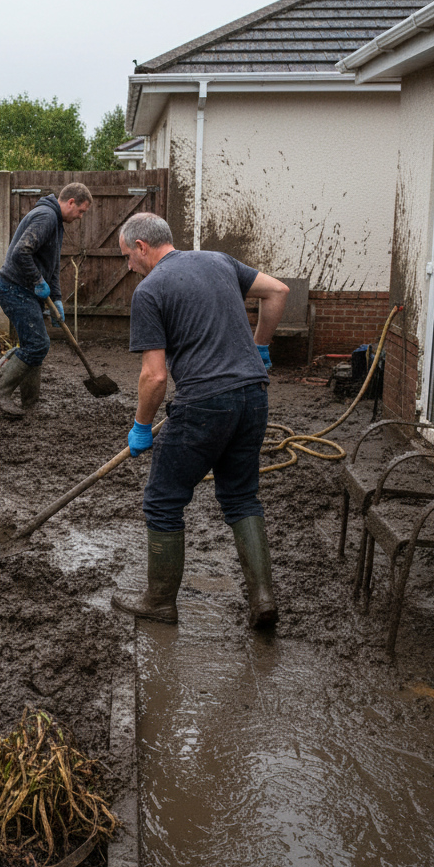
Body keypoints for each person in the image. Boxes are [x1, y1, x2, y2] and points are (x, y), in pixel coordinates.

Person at [110, 212, 288, 629]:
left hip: (205, 404)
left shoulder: (150, 291)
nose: (129, 267)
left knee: (163, 500)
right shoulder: (218, 260)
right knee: (241, 497)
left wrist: (141, 426)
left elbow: (155, 377)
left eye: (127, 257)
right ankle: (262, 599)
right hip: (254, 397)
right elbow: (277, 291)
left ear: (141, 247)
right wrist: (260, 347)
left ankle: (159, 602)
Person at [0, 183, 92, 416]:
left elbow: (52, 267)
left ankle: (30, 403)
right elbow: (21, 251)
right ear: (71, 202)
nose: (80, 217)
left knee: (33, 346)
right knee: (38, 345)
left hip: (24, 290)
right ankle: (0, 393)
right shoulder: (46, 216)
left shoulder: (55, 222)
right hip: (14, 288)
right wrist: (38, 281)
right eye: (81, 211)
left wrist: (56, 299)